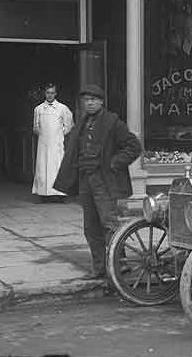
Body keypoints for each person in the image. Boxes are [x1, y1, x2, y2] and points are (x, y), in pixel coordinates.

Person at [53, 84, 142, 280]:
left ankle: (120, 265)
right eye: (86, 100)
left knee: (109, 224)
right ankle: (100, 267)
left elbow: (134, 147)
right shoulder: (82, 123)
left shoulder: (113, 122)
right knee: (91, 227)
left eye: (94, 99)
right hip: (86, 179)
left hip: (104, 181)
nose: (90, 103)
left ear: (101, 102)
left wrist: (113, 163)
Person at [32, 83, 74, 203]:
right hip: (43, 144)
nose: (50, 95)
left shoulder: (62, 108)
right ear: (45, 94)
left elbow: (69, 124)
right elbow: (36, 126)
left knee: (57, 166)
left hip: (57, 143)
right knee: (43, 167)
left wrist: (59, 134)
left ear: (55, 94)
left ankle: (60, 194)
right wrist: (42, 133)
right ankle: (43, 193)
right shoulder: (39, 109)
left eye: (52, 93)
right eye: (48, 93)